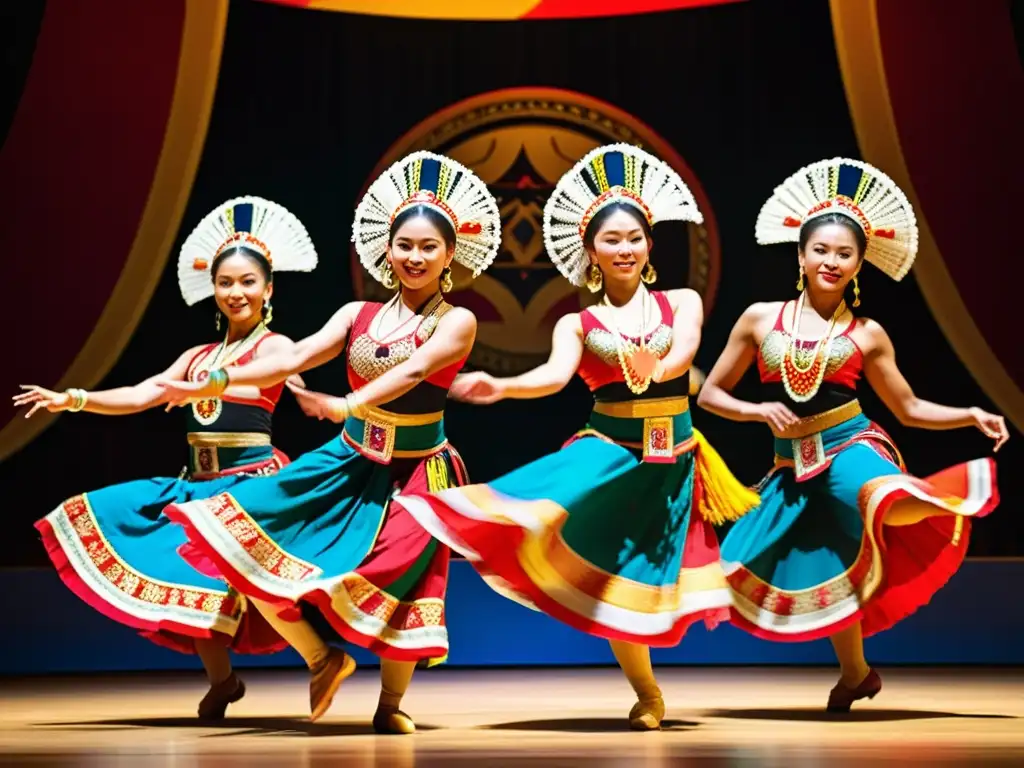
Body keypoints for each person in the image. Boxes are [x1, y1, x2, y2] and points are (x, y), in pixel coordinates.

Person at [393, 144, 758, 731]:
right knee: (607, 572)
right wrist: (503, 386)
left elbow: (686, 349)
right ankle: (649, 695)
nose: (624, 249)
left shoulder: (681, 302)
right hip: (609, 455)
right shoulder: (576, 323)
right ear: (591, 251)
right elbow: (554, 377)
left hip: (674, 460)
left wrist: (656, 367)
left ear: (649, 245)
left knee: (643, 581)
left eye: (634, 238)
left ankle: (648, 694)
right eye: (611, 240)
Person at [158, 152, 502, 732]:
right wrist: (217, 377)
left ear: (449, 255)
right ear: (386, 250)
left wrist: (346, 403)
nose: (414, 257)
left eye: (427, 247)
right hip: (349, 460)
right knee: (237, 533)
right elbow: (291, 356)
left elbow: (415, 372)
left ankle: (390, 704)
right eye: (404, 245)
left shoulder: (456, 320)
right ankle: (322, 656)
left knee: (406, 573)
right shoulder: (356, 313)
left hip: (419, 471)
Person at [696, 157, 1008, 711]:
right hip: (792, 467)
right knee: (819, 568)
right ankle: (857, 673)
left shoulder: (868, 333)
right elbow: (711, 395)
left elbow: (908, 407)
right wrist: (758, 411)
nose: (832, 261)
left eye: (845, 254)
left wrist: (969, 413)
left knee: (877, 499)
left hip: (851, 445)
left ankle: (959, 496)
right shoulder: (759, 319)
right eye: (821, 250)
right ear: (800, 254)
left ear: (860, 263)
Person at [17, 196, 319, 719]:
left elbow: (269, 383)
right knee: (183, 578)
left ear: (268, 289)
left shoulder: (274, 346)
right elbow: (142, 394)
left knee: (252, 584)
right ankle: (223, 682)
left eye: (248, 281)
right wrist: (75, 399)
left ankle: (322, 656)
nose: (236, 292)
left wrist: (210, 385)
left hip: (251, 484)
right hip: (199, 484)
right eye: (225, 282)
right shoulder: (198, 355)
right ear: (213, 290)